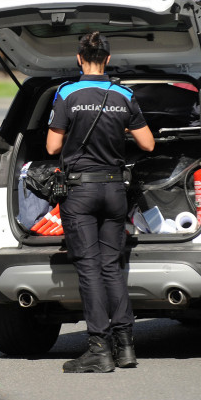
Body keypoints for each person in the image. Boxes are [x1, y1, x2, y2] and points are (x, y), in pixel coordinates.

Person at [45, 31, 155, 373]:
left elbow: (51, 147)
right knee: (112, 267)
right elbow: (148, 144)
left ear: (79, 59)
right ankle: (125, 347)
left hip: (80, 193)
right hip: (114, 190)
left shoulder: (66, 94)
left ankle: (98, 348)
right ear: (107, 59)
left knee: (89, 269)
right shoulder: (124, 95)